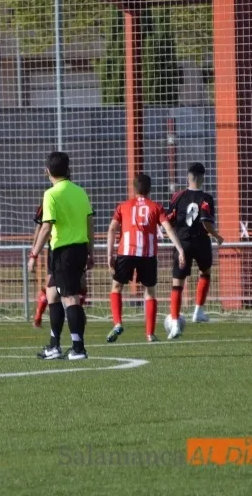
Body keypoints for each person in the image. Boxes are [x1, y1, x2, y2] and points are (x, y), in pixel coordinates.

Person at [28, 152, 94, 361]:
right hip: (78, 249)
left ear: (47, 171)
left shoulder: (51, 194)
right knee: (52, 294)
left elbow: (46, 227)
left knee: (70, 297)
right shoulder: (80, 192)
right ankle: (54, 346)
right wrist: (91, 252)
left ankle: (78, 348)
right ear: (68, 169)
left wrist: (33, 254)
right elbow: (89, 225)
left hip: (64, 251)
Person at [106, 174, 187, 343]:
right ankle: (150, 334)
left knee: (116, 287)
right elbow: (168, 229)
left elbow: (112, 229)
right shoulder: (156, 207)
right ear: (150, 189)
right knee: (149, 292)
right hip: (147, 254)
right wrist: (180, 250)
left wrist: (109, 254)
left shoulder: (123, 206)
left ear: (133, 188)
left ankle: (118, 323)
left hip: (126, 252)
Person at [165, 162, 224, 339]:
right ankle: (198, 310)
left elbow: (169, 219)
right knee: (205, 272)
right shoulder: (206, 198)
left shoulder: (178, 196)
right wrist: (216, 235)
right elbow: (206, 221)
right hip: (201, 241)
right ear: (202, 177)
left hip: (182, 242)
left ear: (188, 177)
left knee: (178, 283)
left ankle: (175, 323)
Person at [31, 202, 88, 329]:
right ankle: (39, 317)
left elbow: (87, 223)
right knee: (51, 287)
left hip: (76, 247)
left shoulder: (76, 199)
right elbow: (40, 227)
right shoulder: (49, 202)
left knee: (82, 285)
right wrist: (33, 252)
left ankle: (76, 313)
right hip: (56, 250)